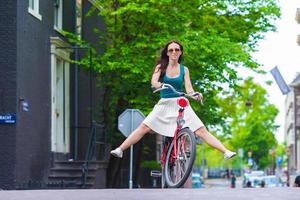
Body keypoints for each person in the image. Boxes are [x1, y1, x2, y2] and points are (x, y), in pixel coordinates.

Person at [110, 40, 236, 160]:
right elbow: (153, 81)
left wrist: (195, 95)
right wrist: (158, 84)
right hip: (164, 103)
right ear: (167, 53)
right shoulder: (161, 67)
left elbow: (189, 89)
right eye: (171, 50)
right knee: (144, 127)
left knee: (200, 130)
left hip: (181, 103)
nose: (174, 52)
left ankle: (225, 151)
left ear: (180, 52)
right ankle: (120, 149)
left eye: (177, 49)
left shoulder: (184, 69)